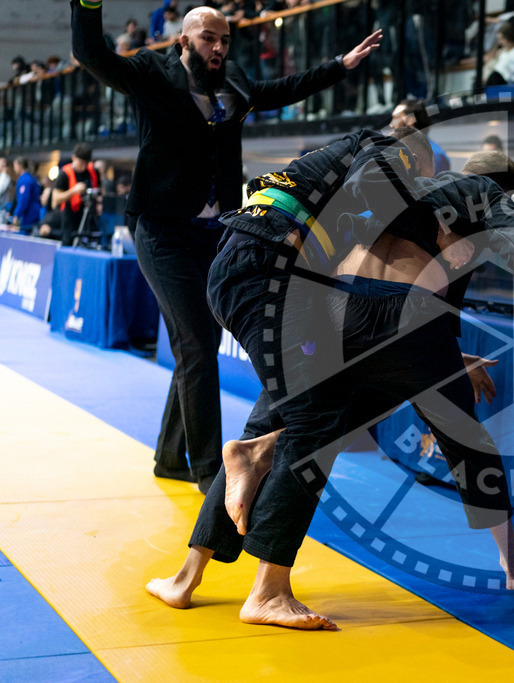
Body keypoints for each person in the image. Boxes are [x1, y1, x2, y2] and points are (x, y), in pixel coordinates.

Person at [146, 146, 514, 629]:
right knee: (470, 445)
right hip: (410, 322)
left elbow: (349, 255)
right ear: (505, 190)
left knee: (283, 430)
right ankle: (512, 567)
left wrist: (450, 354)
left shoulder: (398, 191)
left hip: (328, 313)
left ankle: (187, 577)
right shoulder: (484, 195)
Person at [71, 0, 383, 493]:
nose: (218, 48)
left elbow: (279, 90)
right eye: (208, 39)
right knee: (196, 340)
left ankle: (171, 457)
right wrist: (87, 6)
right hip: (160, 228)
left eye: (224, 40)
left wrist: (338, 67)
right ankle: (210, 475)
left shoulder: (233, 81)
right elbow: (93, 54)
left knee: (198, 343)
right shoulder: (154, 73)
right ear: (183, 42)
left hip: (213, 231)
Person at [51, 142, 100, 246]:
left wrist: (99, 203)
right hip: (70, 221)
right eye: (80, 163)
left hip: (89, 219)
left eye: (85, 164)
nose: (83, 167)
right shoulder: (64, 174)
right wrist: (73, 191)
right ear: (73, 158)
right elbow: (56, 199)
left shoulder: (93, 172)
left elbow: (100, 190)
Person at [390, 98, 451, 173]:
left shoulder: (435, 155)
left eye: (396, 118)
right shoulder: (400, 151)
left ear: (410, 120)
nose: (391, 125)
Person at [482, 21, 514, 87]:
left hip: (508, 82)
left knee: (495, 76)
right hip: (497, 79)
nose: (500, 42)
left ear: (509, 37)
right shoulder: (503, 52)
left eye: (502, 39)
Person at [11, 158, 42, 235]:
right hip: (33, 215)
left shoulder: (25, 180)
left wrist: (17, 215)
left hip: (28, 217)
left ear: (20, 166)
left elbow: (23, 200)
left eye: (15, 166)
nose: (14, 168)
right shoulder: (29, 178)